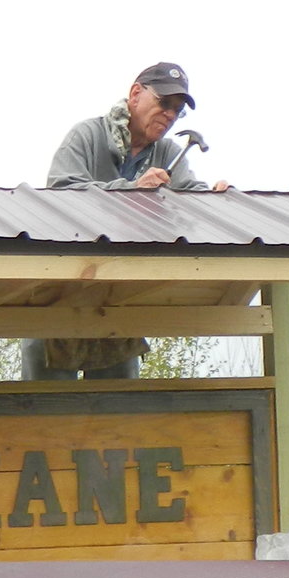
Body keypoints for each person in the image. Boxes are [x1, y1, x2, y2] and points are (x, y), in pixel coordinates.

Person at [30, 62, 233, 379]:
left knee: (120, 415)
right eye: (164, 103)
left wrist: (217, 198)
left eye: (178, 111)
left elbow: (190, 200)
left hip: (119, 304)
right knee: (43, 415)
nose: (169, 115)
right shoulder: (86, 135)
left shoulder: (168, 153)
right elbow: (63, 193)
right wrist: (131, 190)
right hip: (60, 296)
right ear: (136, 94)